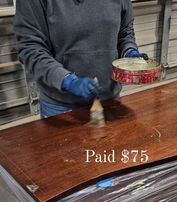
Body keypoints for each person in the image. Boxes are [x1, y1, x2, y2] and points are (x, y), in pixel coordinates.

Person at [14, 0, 148, 118]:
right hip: (61, 107)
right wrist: (67, 80)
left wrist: (129, 52)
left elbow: (125, 33)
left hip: (109, 99)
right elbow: (30, 47)